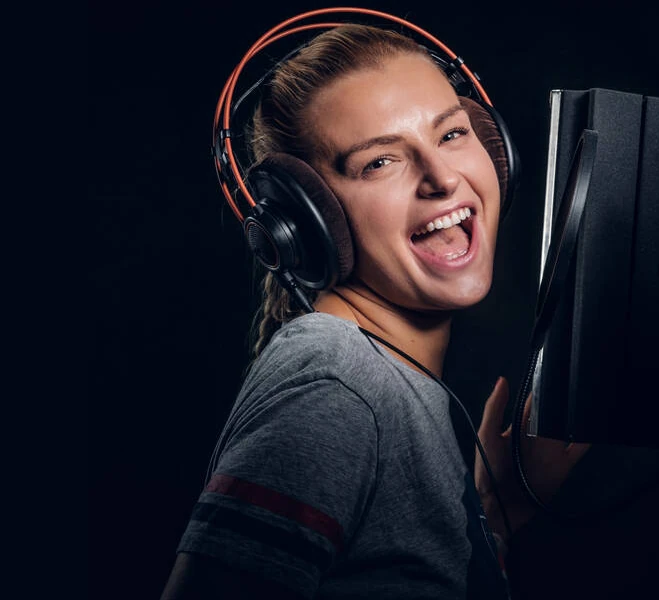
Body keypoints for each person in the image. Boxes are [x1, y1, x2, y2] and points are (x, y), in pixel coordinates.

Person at [160, 19, 589, 600]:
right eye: (380, 162)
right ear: (307, 223)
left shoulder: (387, 384)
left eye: (452, 134)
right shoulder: (337, 381)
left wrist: (493, 512)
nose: (442, 178)